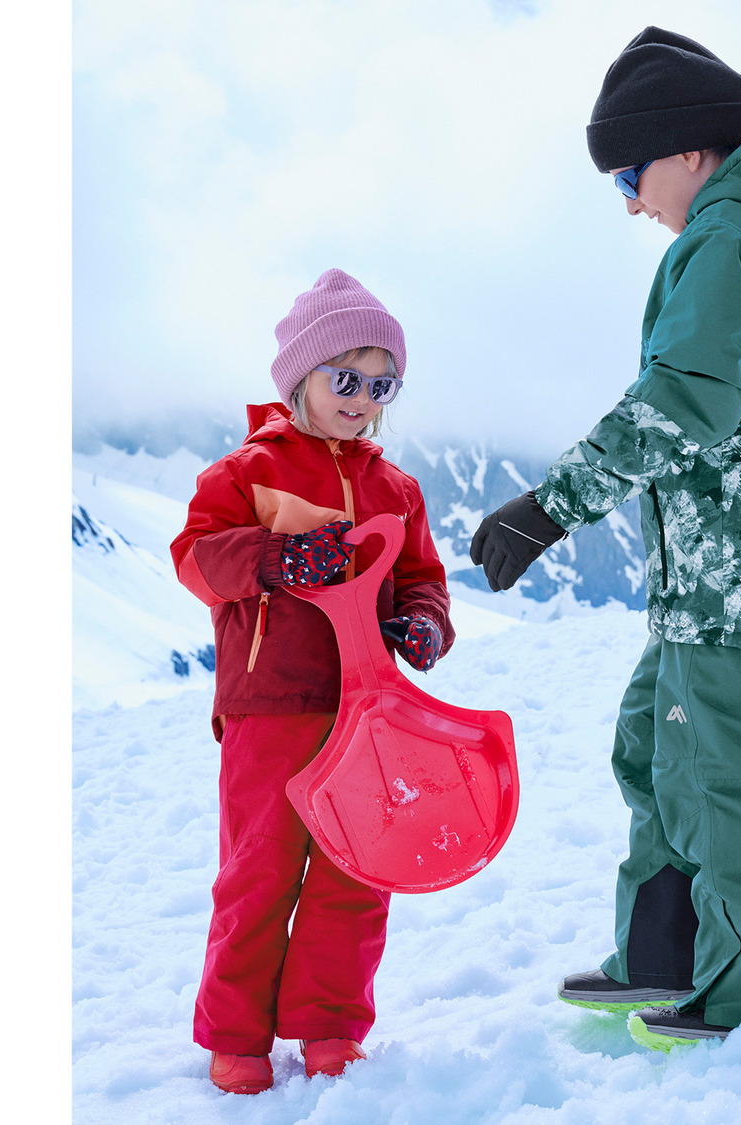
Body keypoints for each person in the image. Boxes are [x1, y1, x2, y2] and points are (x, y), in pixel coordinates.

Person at [469, 27, 741, 1051]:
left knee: (727, 776)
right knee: (657, 747)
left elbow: (683, 400)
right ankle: (665, 952)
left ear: (689, 150)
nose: (628, 201)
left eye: (629, 172)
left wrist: (551, 505)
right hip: (726, 574)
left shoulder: (731, 241)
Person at [171, 268, 454, 1091]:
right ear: (302, 374)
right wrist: (276, 557)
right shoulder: (245, 472)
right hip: (270, 710)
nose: (363, 398)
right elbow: (196, 558)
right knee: (260, 871)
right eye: (347, 379)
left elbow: (421, 579)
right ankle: (238, 1037)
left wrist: (426, 622)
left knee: (358, 873)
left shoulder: (395, 488)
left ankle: (329, 1028)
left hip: (369, 713)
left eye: (382, 384)